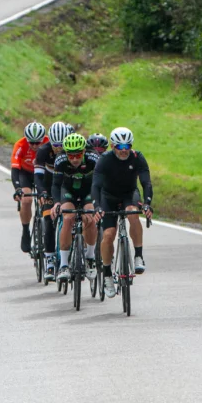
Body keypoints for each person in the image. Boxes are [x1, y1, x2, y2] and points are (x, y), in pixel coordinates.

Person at [92, 127, 154, 298]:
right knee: (109, 235)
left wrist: (147, 204)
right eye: (120, 147)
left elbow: (146, 183)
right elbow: (96, 185)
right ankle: (107, 275)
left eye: (127, 145)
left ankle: (138, 257)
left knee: (133, 213)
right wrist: (97, 206)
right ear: (112, 146)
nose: (124, 150)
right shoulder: (105, 160)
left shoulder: (137, 157)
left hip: (129, 195)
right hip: (108, 197)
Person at [51, 133, 100, 281]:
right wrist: (56, 203)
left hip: (88, 191)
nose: (74, 159)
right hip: (68, 191)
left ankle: (90, 257)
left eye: (78, 155)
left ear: (84, 151)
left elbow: (101, 182)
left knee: (90, 217)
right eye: (70, 156)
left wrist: (99, 204)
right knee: (68, 218)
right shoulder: (60, 159)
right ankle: (64, 265)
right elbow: (56, 184)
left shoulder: (94, 158)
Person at [33, 121, 74, 280]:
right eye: (55, 144)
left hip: (66, 188)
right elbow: (38, 176)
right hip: (49, 188)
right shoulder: (43, 151)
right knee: (48, 220)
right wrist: (42, 192)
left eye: (61, 144)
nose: (58, 148)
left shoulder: (71, 151)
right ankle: (50, 260)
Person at [11, 121, 47, 253]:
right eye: (31, 142)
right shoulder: (20, 145)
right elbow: (14, 170)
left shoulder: (49, 144)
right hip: (25, 173)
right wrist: (17, 189)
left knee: (46, 198)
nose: (34, 146)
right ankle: (26, 230)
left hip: (42, 173)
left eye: (38, 142)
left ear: (43, 139)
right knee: (26, 200)